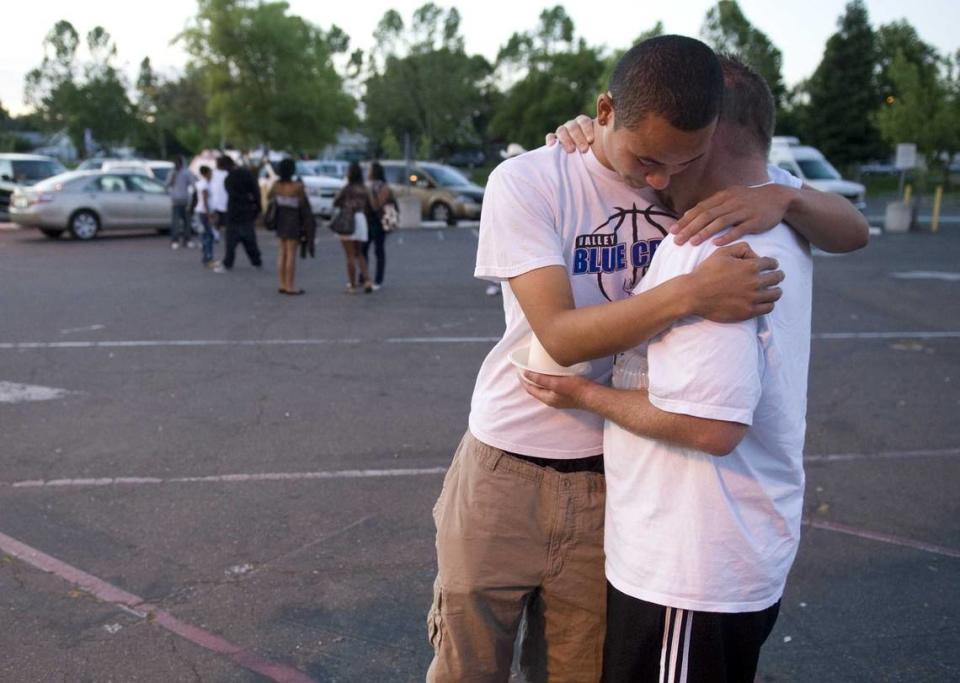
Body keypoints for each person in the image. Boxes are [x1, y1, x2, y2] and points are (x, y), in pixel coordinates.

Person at [427, 36, 868, 683]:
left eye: (681, 160)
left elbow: (852, 230)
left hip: (611, 479)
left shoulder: (703, 188)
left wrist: (789, 197)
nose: (658, 179)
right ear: (604, 111)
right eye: (647, 159)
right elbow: (560, 335)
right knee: (467, 666)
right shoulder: (532, 178)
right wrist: (690, 292)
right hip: (506, 465)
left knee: (576, 670)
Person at [523, 57, 827, 683]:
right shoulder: (784, 214)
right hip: (731, 556)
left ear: (704, 136)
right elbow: (851, 228)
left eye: (665, 156)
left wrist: (586, 393)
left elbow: (710, 428)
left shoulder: (712, 248)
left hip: (689, 571)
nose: (654, 177)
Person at [268, 158, 313, 295]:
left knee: (282, 253)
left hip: (280, 220)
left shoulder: (276, 186)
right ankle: (290, 285)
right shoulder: (297, 187)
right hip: (293, 221)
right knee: (291, 254)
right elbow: (304, 205)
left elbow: (270, 198)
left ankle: (282, 284)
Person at [333, 162, 374, 294]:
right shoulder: (364, 189)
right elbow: (370, 205)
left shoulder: (347, 188)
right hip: (361, 219)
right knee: (360, 253)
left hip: (348, 219)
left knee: (349, 255)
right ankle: (367, 280)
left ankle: (352, 285)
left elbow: (336, 202)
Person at [222, 157, 263, 271]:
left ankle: (228, 262)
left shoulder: (229, 179)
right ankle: (256, 261)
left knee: (231, 241)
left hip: (234, 212)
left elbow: (231, 193)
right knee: (249, 239)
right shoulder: (247, 174)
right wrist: (257, 207)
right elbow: (256, 191)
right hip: (247, 210)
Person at [362, 162, 393, 291]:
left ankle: (378, 279)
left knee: (378, 250)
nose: (367, 172)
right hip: (367, 220)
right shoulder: (367, 185)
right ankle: (364, 276)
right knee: (363, 249)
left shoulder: (383, 187)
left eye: (369, 170)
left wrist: (370, 193)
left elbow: (377, 206)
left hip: (379, 221)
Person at [194, 165, 222, 271]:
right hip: (204, 212)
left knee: (206, 235)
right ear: (206, 173)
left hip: (201, 211)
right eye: (210, 172)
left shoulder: (201, 183)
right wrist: (209, 214)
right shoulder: (205, 185)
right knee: (209, 236)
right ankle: (208, 258)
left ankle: (206, 258)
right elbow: (205, 201)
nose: (212, 175)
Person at [165, 156, 195, 250]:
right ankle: (175, 240)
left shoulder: (186, 172)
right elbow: (167, 184)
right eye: (175, 163)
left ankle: (187, 240)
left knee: (187, 222)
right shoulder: (171, 172)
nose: (176, 165)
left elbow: (193, 183)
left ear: (181, 164)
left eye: (178, 163)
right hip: (175, 201)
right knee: (175, 223)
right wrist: (173, 177)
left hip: (185, 200)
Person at [209, 156, 230, 242]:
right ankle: (216, 235)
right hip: (216, 200)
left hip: (224, 200)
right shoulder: (213, 173)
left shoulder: (227, 173)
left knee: (225, 220)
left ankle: (225, 235)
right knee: (216, 220)